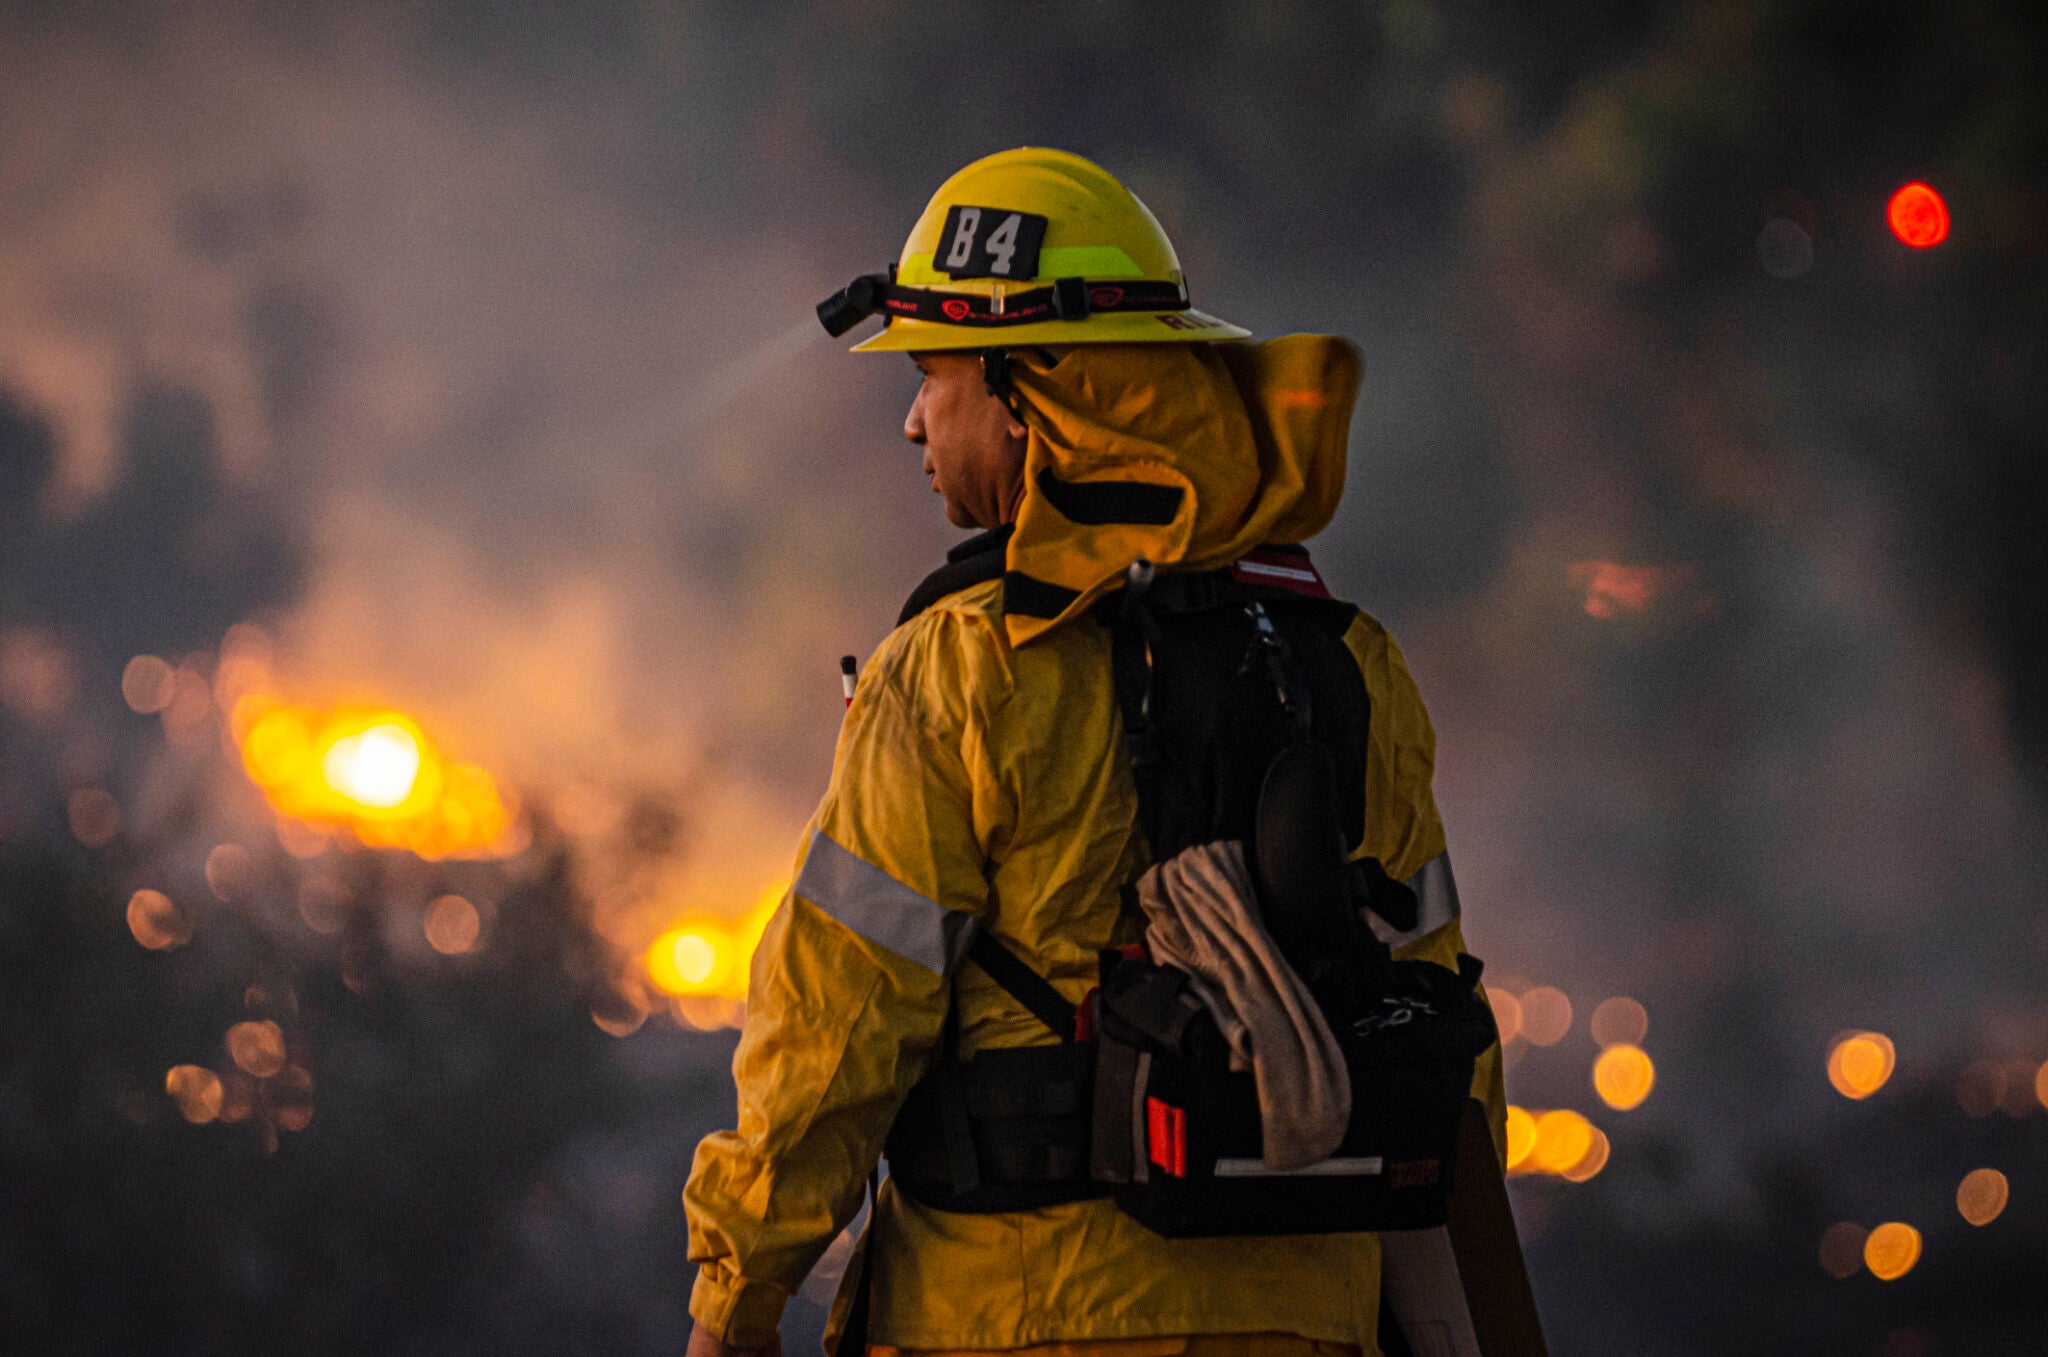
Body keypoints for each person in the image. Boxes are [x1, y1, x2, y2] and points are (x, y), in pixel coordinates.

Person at [684, 148, 1527, 1357]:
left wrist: (733, 1301)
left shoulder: (960, 670)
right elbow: (1445, 1045)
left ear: (1039, 390)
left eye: (935, 373)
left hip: (1008, 1323)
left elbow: (837, 1025)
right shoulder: (1350, 665)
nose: (911, 417)